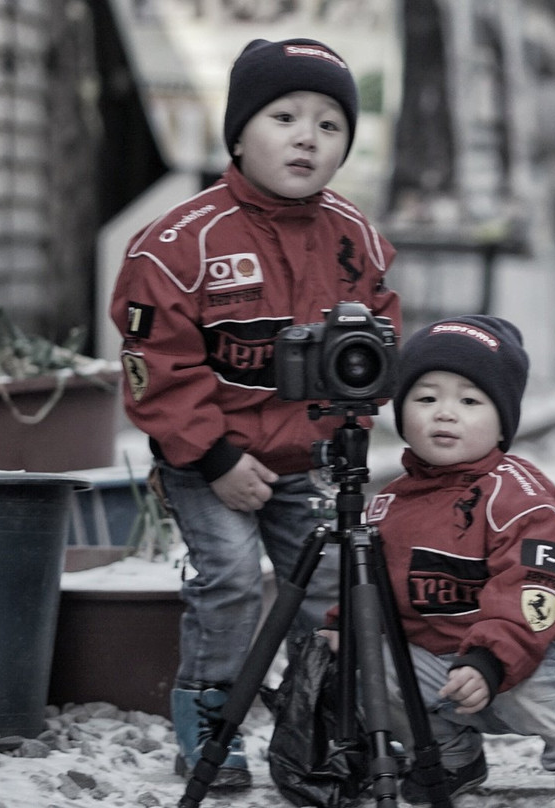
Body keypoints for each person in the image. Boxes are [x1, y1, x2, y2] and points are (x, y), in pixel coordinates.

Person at [109, 37, 400, 790]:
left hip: (313, 455)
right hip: (211, 457)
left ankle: (323, 721)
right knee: (234, 577)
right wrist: (211, 458)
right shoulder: (181, 245)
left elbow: (374, 346)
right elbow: (157, 370)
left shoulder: (355, 238)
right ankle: (209, 713)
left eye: (330, 125)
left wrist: (353, 431)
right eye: (284, 116)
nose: (307, 137)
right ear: (239, 132)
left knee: (337, 588)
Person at [328, 315, 555, 807]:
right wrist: (343, 624)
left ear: (502, 420)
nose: (444, 415)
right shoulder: (389, 502)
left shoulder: (521, 498)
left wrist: (491, 660)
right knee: (366, 664)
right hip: (437, 667)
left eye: (469, 402)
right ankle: (449, 757)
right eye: (426, 399)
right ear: (401, 414)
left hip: (521, 654)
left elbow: (536, 590)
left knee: (536, 676)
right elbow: (370, 581)